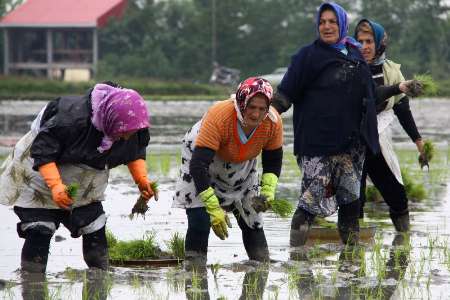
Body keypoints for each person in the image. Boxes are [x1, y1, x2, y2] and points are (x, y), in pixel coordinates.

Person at [0, 82, 156, 273]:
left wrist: (142, 180)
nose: (127, 136)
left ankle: (99, 276)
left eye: (131, 132)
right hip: (41, 173)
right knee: (40, 228)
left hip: (84, 180)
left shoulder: (134, 127)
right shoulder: (70, 121)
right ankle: (33, 282)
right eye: (124, 131)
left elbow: (134, 152)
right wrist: (56, 186)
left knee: (94, 225)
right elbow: (44, 152)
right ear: (111, 119)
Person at [271, 2, 380, 247]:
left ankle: (350, 263)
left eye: (332, 22)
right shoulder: (307, 56)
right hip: (316, 145)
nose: (327, 26)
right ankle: (296, 256)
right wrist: (268, 115)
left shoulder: (355, 55)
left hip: (351, 148)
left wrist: (400, 88)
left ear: (342, 24)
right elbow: (286, 93)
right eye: (322, 22)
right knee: (309, 203)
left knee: (350, 204)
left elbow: (371, 95)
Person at [173, 77, 283, 269]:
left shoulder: (272, 122)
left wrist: (268, 190)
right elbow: (199, 165)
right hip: (201, 160)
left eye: (262, 109)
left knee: (253, 219)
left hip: (243, 165)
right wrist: (212, 206)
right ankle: (195, 271)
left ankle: (260, 269)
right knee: (200, 219)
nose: (256, 115)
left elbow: (273, 160)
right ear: (241, 102)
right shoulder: (219, 116)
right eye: (251, 107)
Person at [355, 19, 425, 232]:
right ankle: (352, 252)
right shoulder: (351, 68)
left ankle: (403, 240)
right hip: (354, 141)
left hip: (376, 141)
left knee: (397, 195)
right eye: (359, 41)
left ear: (379, 44)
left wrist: (419, 142)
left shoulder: (392, 72)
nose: (364, 47)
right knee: (354, 198)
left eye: (369, 41)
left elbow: (403, 110)